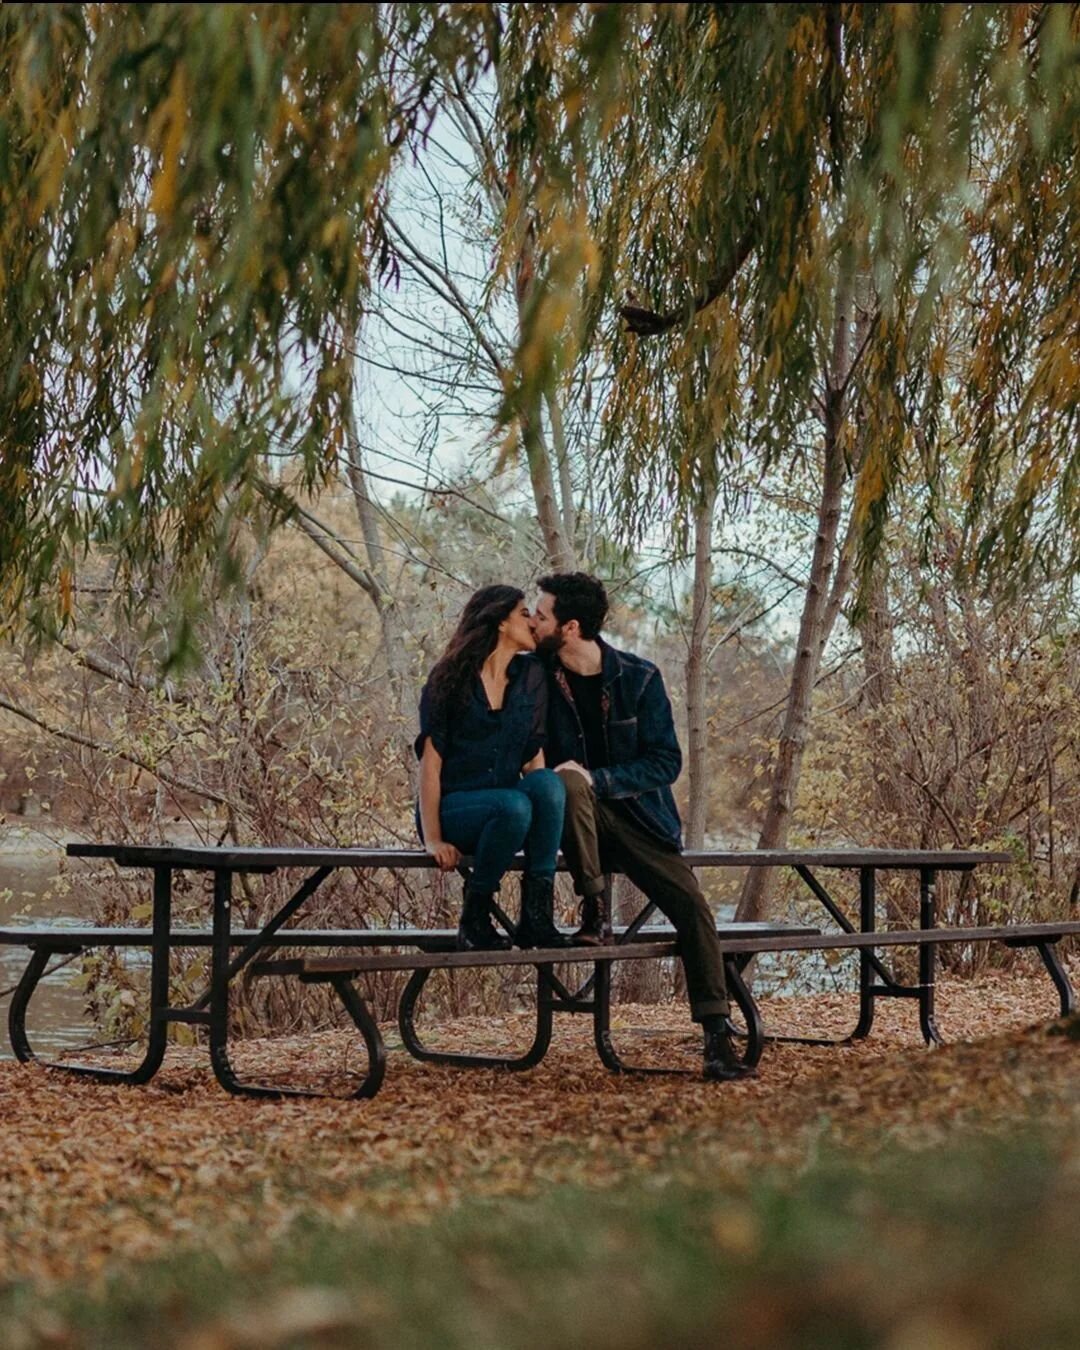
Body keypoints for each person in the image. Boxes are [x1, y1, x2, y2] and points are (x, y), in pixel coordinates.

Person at [531, 572, 753, 1082]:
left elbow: (665, 763)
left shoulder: (639, 678)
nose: (532, 619)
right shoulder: (534, 675)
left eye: (541, 614)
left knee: (694, 910)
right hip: (570, 823)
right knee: (565, 785)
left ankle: (717, 1040)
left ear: (570, 626)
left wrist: (599, 778)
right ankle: (595, 907)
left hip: (639, 820)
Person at [415, 585, 572, 952]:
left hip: (507, 815)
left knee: (547, 783)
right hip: (454, 811)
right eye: (523, 614)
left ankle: (536, 918)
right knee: (513, 804)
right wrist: (434, 838)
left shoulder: (530, 677)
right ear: (501, 621)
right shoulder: (449, 678)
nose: (532, 623)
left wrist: (544, 811)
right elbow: (430, 765)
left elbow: (533, 759)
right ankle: (475, 917)